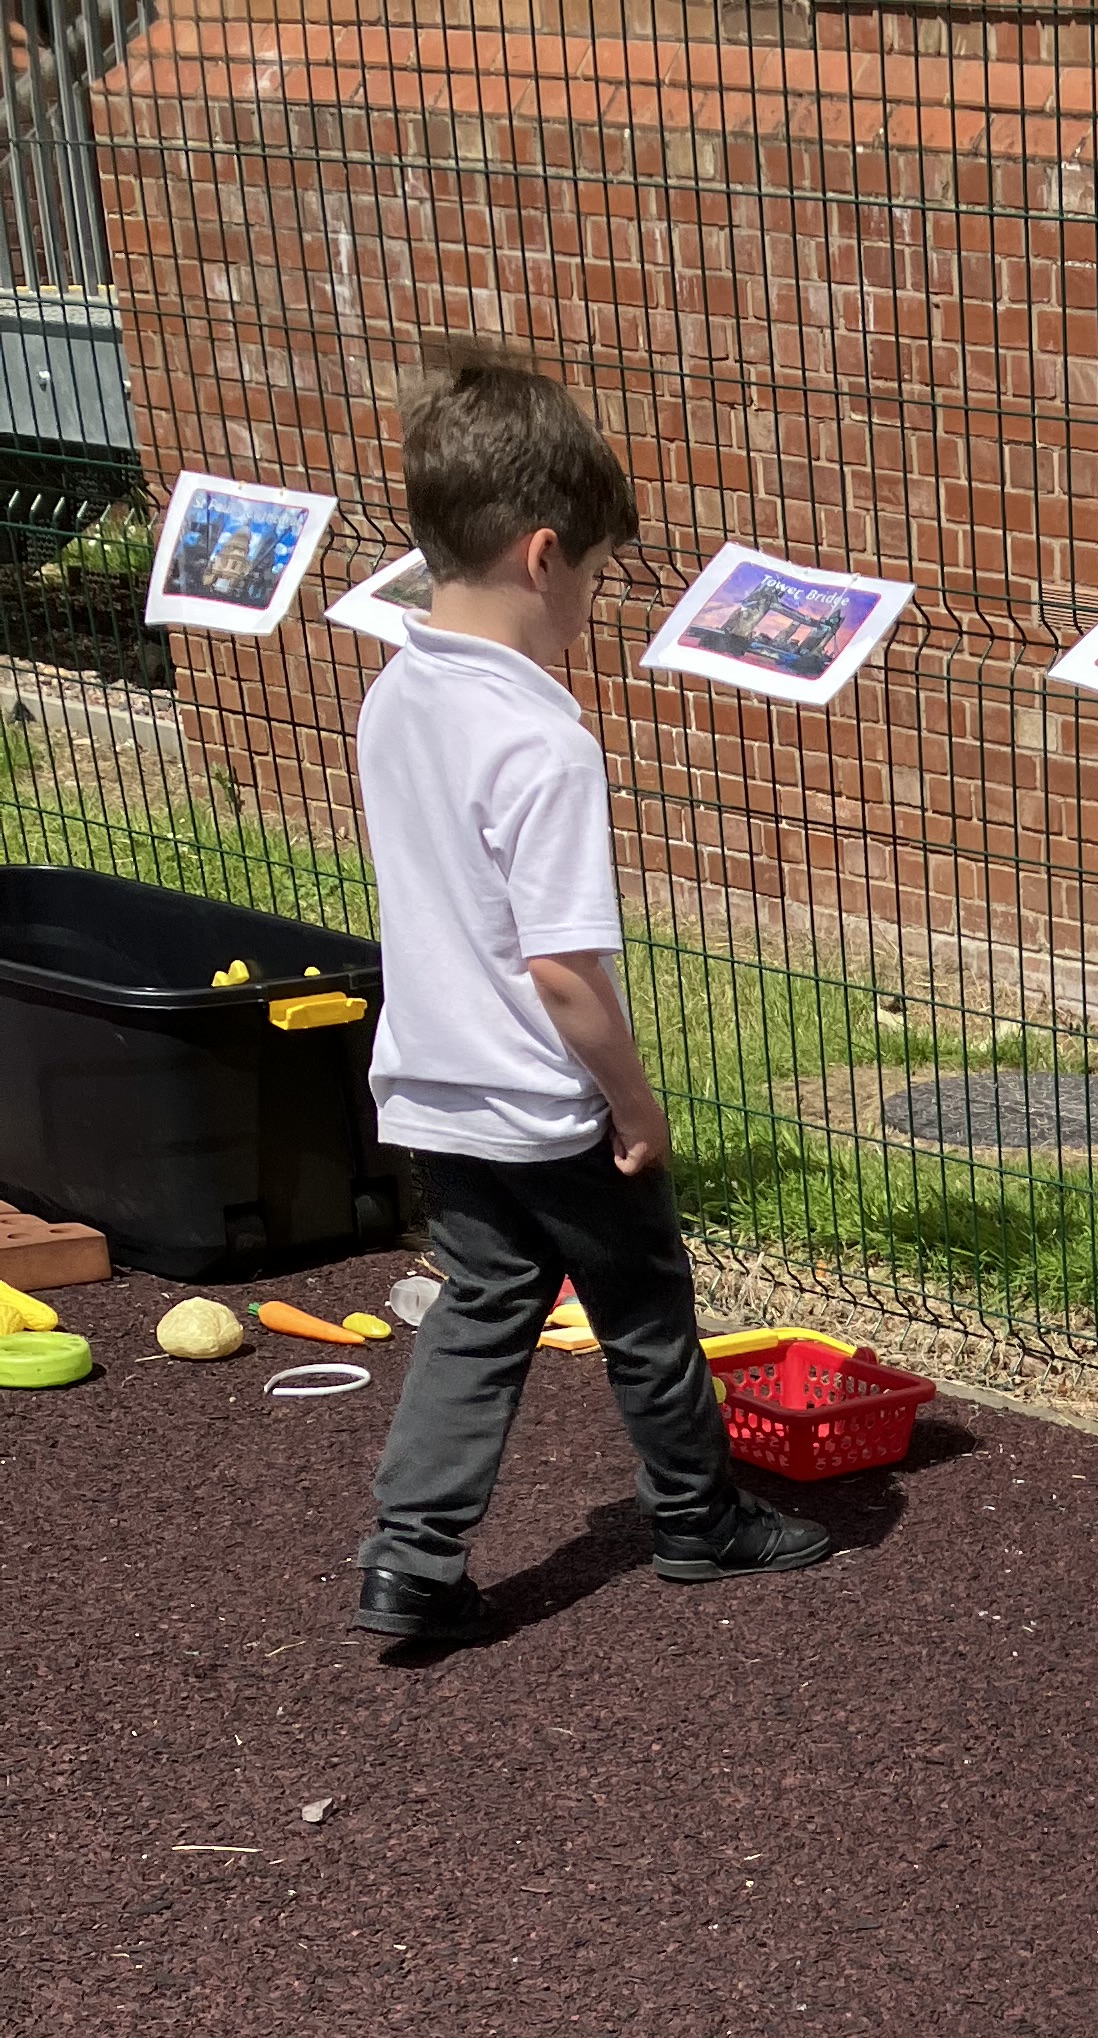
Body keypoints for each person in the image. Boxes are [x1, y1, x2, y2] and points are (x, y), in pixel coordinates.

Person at [349, 351, 829, 1642]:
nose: (595, 603)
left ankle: (410, 1561)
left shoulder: (396, 694)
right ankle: (698, 1519)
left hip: (435, 1086)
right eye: (602, 575)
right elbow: (562, 968)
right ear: (544, 555)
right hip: (548, 1102)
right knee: (646, 1308)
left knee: (481, 1308)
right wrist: (635, 1103)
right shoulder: (544, 742)